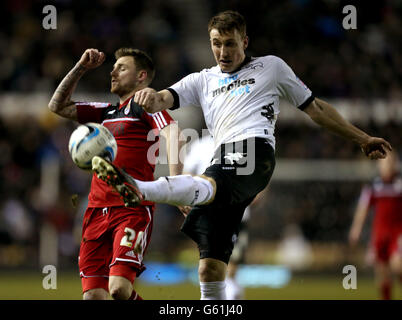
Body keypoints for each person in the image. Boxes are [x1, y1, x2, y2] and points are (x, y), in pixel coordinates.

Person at [91, 11, 392, 300]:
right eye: (216, 43)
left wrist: (361, 138)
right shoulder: (202, 80)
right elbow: (162, 99)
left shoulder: (271, 67)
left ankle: (140, 188)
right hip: (222, 165)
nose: (222, 51)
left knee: (210, 181)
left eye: (230, 43)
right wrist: (148, 96)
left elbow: (315, 108)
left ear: (244, 42)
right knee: (209, 269)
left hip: (254, 153)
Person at [48, 47, 182, 300]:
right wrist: (80, 67)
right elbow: (57, 106)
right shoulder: (105, 112)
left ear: (141, 76)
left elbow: (173, 133)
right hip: (96, 211)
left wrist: (176, 185)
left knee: (119, 289)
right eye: (113, 67)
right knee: (93, 297)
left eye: (121, 67)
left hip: (132, 208)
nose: (113, 71)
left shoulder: (144, 107)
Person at [182, 134, 250, 299]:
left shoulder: (242, 142)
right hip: (208, 214)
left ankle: (230, 295)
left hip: (237, 213)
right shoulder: (201, 145)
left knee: (231, 265)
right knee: (210, 266)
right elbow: (186, 174)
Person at [349, 151, 402, 300]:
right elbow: (363, 209)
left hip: (397, 234)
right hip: (379, 234)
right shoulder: (373, 186)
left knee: (398, 265)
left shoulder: (399, 185)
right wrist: (356, 229)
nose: (387, 166)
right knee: (382, 275)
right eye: (384, 163)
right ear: (379, 165)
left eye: (390, 163)